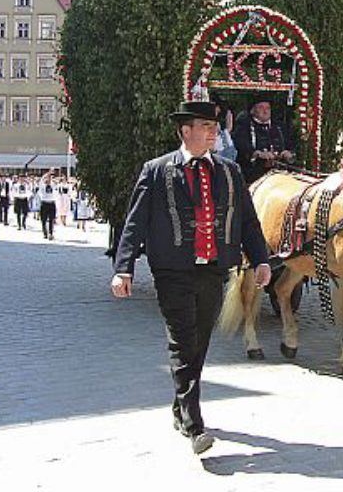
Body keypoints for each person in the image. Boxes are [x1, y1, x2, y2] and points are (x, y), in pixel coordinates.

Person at [111, 98, 271, 455]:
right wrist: (124, 268)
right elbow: (134, 222)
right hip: (172, 271)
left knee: (199, 340)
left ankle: (179, 407)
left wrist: (261, 260)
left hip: (215, 269)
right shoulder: (156, 170)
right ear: (186, 131)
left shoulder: (230, 172)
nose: (214, 132)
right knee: (182, 341)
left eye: (215, 127)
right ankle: (194, 422)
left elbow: (247, 220)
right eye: (206, 127)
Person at [232, 92, 295, 184]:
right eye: (261, 107)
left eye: (268, 108)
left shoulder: (279, 126)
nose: (265, 111)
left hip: (279, 175)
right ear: (252, 110)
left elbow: (290, 144)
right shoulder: (244, 126)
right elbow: (242, 146)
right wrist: (257, 154)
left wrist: (288, 153)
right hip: (253, 176)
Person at [39, 172, 57, 240]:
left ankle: (51, 233)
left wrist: (51, 176)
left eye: (50, 178)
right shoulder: (42, 185)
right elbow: (41, 180)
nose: (48, 179)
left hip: (51, 203)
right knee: (43, 219)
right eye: (47, 178)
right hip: (44, 203)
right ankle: (45, 233)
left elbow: (56, 182)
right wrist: (47, 174)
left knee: (51, 219)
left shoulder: (53, 185)